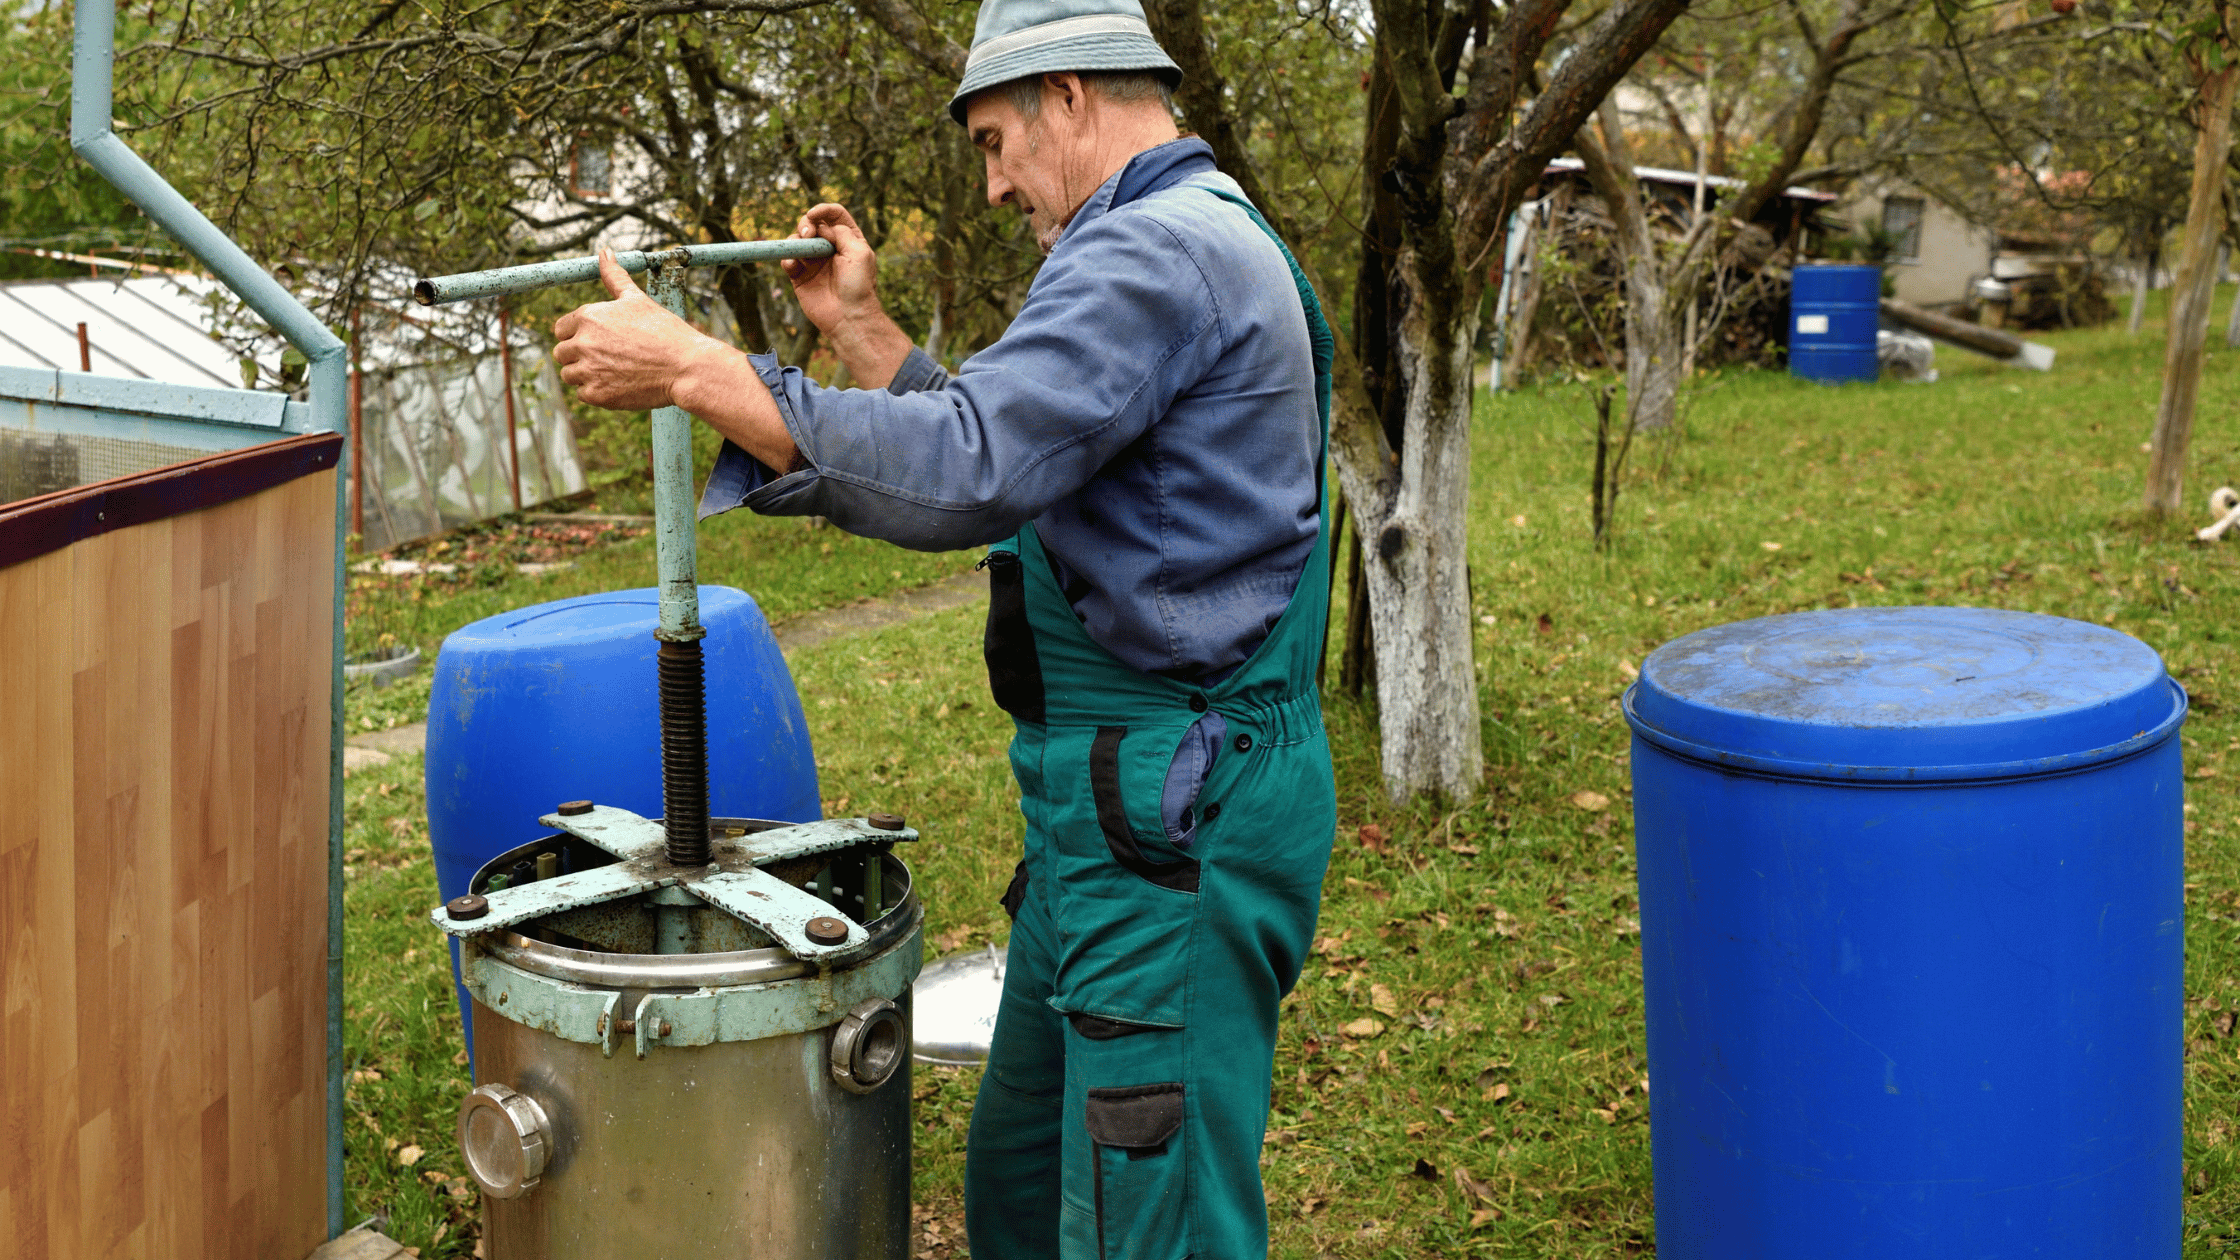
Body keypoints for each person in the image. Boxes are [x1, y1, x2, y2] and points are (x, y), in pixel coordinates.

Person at [550, 1, 1337, 1253]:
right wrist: (859, 333)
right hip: (1108, 822)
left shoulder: (1152, 253)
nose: (990, 186)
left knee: (1150, 1218)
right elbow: (1029, 450)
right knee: (1025, 1173)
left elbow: (968, 468)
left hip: (1171, 825)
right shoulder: (1177, 236)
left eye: (991, 143)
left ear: (1067, 98)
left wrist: (701, 371)